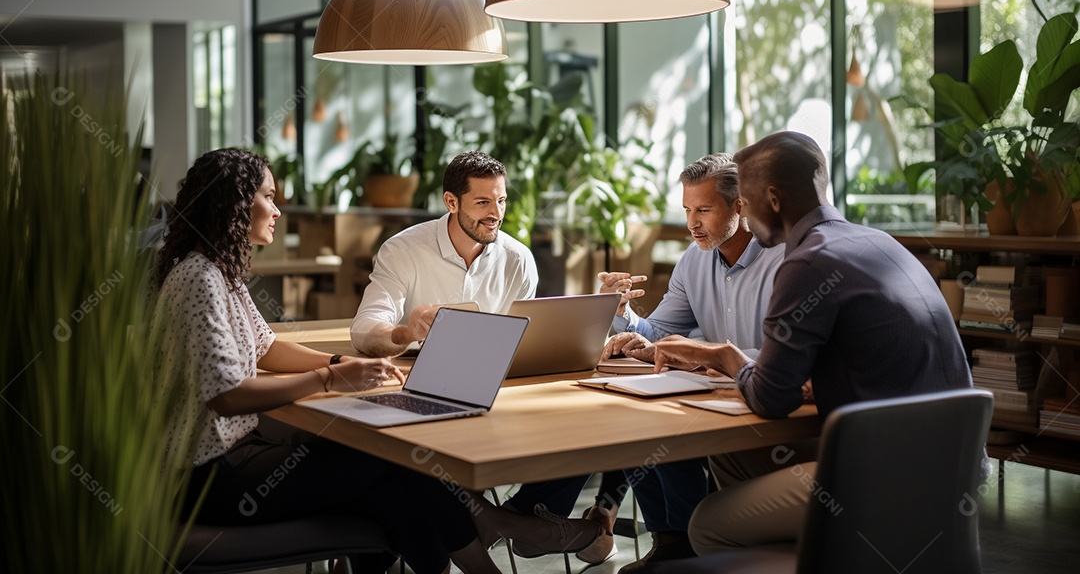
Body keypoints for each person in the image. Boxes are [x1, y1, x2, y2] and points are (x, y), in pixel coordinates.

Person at [156, 148, 599, 574]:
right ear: (234, 203)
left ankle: (477, 548)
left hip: (241, 458)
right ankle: (494, 522)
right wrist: (329, 377)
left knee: (400, 492)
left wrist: (339, 364)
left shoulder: (220, 275)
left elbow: (267, 346)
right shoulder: (200, 278)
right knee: (401, 460)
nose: (277, 210)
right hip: (210, 480)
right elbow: (227, 395)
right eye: (269, 197)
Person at [651, 131, 974, 554]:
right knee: (728, 455)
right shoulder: (879, 242)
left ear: (772, 199)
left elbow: (771, 399)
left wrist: (725, 355)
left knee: (706, 525)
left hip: (877, 482)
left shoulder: (805, 263)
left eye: (746, 200)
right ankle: (810, 549)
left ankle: (821, 557)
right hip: (953, 466)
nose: (744, 213)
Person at [593, 153, 785, 572]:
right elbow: (661, 333)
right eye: (686, 210)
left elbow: (783, 358)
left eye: (703, 210)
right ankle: (673, 542)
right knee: (634, 416)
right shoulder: (694, 259)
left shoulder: (784, 261)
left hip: (767, 401)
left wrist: (703, 355)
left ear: (739, 207)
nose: (691, 223)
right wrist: (623, 315)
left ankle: (692, 544)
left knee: (668, 427)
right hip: (713, 397)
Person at [350, 150, 538, 358]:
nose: (496, 213)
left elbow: (526, 342)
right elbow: (362, 330)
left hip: (493, 373)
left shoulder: (519, 259)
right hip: (411, 372)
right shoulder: (401, 251)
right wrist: (407, 334)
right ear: (451, 202)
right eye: (483, 202)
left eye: (501, 200)